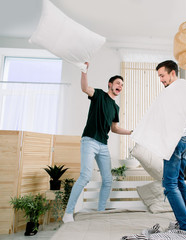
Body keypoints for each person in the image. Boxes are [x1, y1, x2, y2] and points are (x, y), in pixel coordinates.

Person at [63, 62, 132, 223]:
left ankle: (100, 211)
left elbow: (114, 128)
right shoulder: (99, 95)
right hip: (89, 140)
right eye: (117, 83)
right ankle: (68, 213)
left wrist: (130, 132)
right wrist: (84, 72)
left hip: (103, 145)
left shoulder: (115, 107)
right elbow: (85, 88)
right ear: (110, 84)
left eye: (122, 85)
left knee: (108, 180)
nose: (120, 86)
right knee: (85, 176)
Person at [156, 60, 186, 233]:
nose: (161, 80)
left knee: (170, 185)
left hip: (177, 140)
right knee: (179, 181)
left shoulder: (174, 91)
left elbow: (171, 119)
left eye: (162, 75)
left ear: (173, 73)